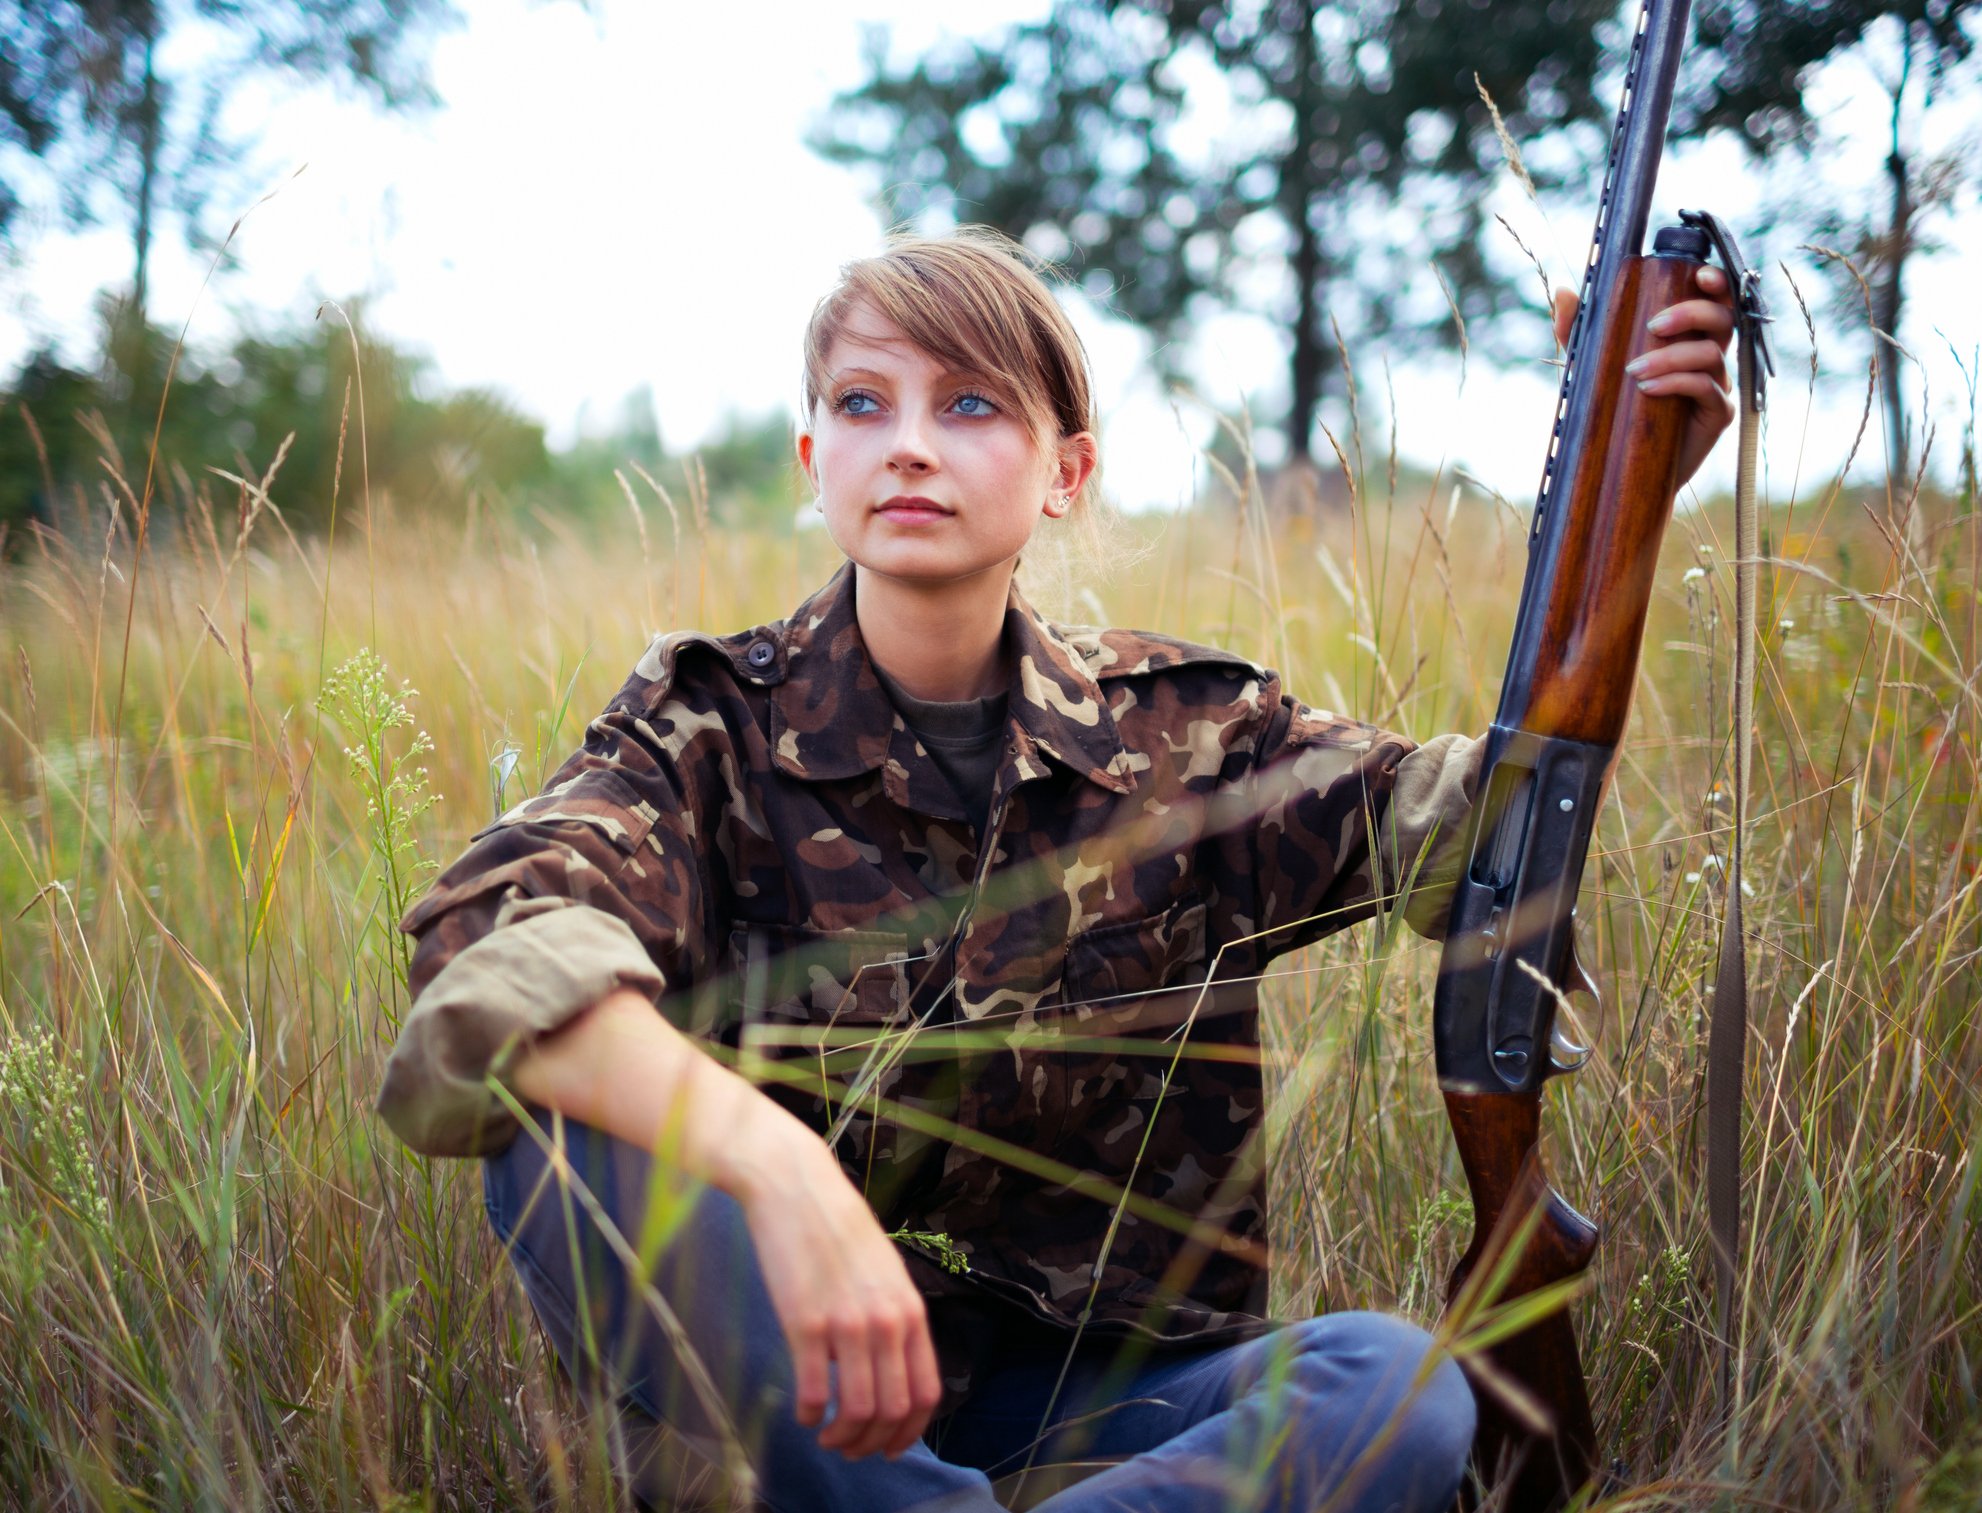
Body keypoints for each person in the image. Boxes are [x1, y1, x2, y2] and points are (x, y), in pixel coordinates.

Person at [374, 228, 1735, 1512]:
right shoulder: (707, 727)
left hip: (1113, 1412)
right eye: (862, 404)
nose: (909, 444)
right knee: (568, 1119)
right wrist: (780, 1173)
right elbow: (495, 938)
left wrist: (1622, 500)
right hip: (805, 1419)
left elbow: (1491, 832)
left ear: (1066, 472)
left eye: (970, 404)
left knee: (1399, 1388)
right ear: (813, 456)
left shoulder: (1189, 737)